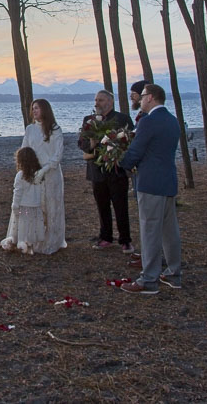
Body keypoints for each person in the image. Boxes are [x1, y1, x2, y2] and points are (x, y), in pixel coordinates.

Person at [118, 83, 182, 294]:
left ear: (151, 98)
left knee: (150, 231)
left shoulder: (148, 121)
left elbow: (136, 151)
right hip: (168, 181)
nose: (140, 99)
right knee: (169, 231)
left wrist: (122, 163)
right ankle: (174, 273)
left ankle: (149, 280)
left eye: (142, 96)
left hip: (150, 183)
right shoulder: (173, 121)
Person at [78, 90, 135, 253]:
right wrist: (91, 143)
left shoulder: (122, 119)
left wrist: (115, 147)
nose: (97, 103)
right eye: (96, 100)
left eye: (101, 100)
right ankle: (105, 237)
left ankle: (125, 240)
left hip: (116, 170)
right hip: (97, 170)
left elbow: (130, 141)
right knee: (102, 206)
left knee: (121, 206)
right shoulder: (88, 120)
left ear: (110, 101)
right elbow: (81, 143)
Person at [21, 98, 66, 254]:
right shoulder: (30, 129)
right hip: (34, 173)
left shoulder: (55, 129)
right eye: (33, 108)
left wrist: (45, 169)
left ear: (45, 110)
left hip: (51, 174)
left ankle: (52, 240)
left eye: (37, 108)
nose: (34, 111)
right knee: (37, 206)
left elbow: (58, 154)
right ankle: (35, 239)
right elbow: (24, 149)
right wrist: (29, 169)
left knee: (52, 206)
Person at [0, 147, 45, 255]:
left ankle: (23, 243)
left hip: (23, 207)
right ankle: (29, 244)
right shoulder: (39, 174)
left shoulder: (20, 175)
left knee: (22, 226)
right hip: (35, 206)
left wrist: (14, 206)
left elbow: (17, 192)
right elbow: (42, 191)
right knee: (32, 226)